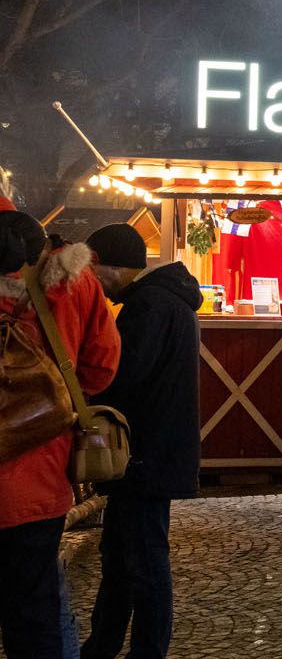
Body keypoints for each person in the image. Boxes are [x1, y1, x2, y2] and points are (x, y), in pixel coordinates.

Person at [0, 205, 120, 658]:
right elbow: (101, 367)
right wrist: (50, 401)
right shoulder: (73, 276)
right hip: (39, 475)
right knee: (33, 611)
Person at [82, 224, 204, 659]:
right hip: (157, 452)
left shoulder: (148, 305)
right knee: (120, 557)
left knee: (145, 563)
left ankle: (145, 652)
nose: (91, 282)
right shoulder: (165, 300)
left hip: (144, 455)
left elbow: (123, 375)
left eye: (92, 270)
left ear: (108, 266)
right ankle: (102, 645)